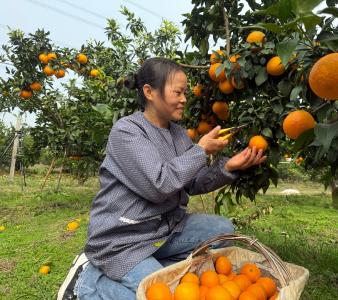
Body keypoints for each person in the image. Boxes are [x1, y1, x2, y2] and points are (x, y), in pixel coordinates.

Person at [58, 57, 266, 300]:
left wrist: (228, 166)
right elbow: (159, 184)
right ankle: (85, 284)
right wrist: (201, 150)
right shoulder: (127, 132)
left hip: (165, 231)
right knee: (164, 295)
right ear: (149, 92)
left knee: (222, 231)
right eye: (177, 92)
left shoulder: (179, 135)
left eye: (185, 92)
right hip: (124, 241)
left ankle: (154, 265)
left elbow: (192, 182)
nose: (184, 99)